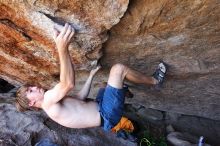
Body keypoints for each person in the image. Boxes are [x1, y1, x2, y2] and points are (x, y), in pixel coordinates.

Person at [15, 23, 167, 135]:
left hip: (101, 109)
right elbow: (67, 84)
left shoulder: (52, 104)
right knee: (118, 70)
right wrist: (62, 47)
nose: (35, 87)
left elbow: (80, 98)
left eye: (31, 87)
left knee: (103, 85)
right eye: (30, 90)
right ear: (31, 103)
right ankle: (155, 81)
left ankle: (124, 91)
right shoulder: (48, 102)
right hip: (106, 114)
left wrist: (91, 76)